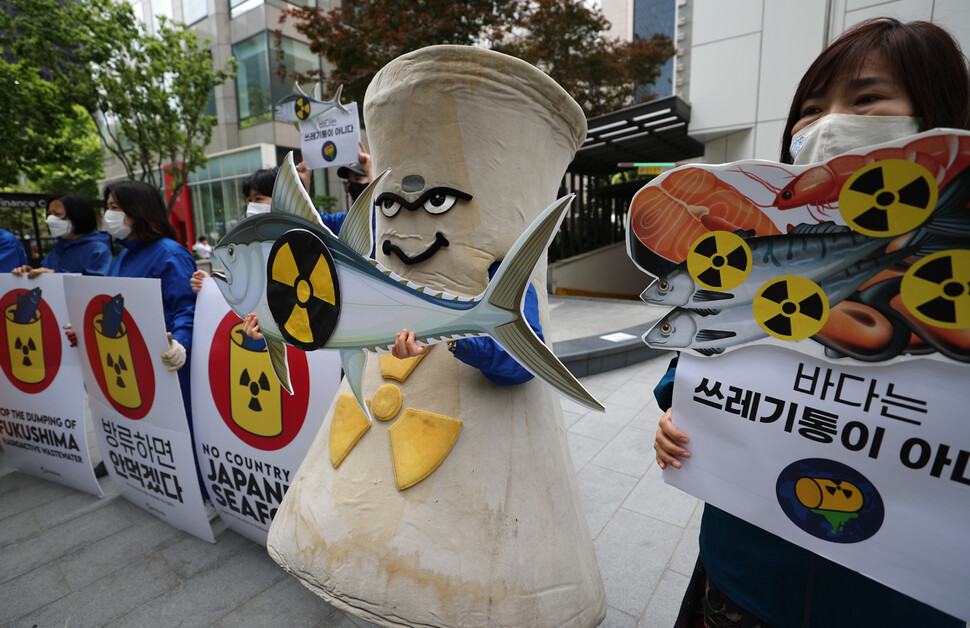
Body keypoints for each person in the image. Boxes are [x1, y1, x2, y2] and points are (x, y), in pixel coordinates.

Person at [654, 18, 969, 628]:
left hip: (897, 604)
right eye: (810, 108)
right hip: (739, 583)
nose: (824, 124)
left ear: (937, 117)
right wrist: (677, 416)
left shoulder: (950, 272)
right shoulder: (756, 247)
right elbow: (688, 371)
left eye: (866, 99)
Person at [103, 180, 206, 498]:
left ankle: (199, 493)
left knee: (184, 428)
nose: (108, 215)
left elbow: (186, 307)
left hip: (169, 360)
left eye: (115, 208)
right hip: (133, 360)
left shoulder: (170, 254)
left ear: (138, 211)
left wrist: (182, 345)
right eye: (107, 208)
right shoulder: (121, 257)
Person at [12, 194, 112, 278]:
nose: (50, 219)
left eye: (58, 214)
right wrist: (30, 273)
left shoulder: (97, 249)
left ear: (78, 215)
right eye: (49, 214)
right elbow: (47, 273)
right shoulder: (59, 246)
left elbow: (97, 286)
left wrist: (54, 275)